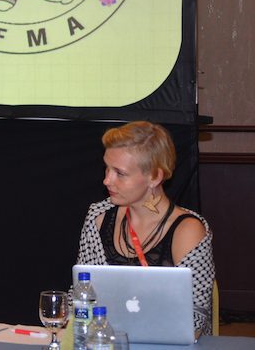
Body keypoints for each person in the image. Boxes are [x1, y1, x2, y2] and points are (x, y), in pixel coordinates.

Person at [76, 121, 215, 336]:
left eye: (120, 173)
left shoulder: (187, 230)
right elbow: (81, 295)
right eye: (107, 168)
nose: (107, 180)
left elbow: (195, 319)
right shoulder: (99, 217)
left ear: (155, 177)